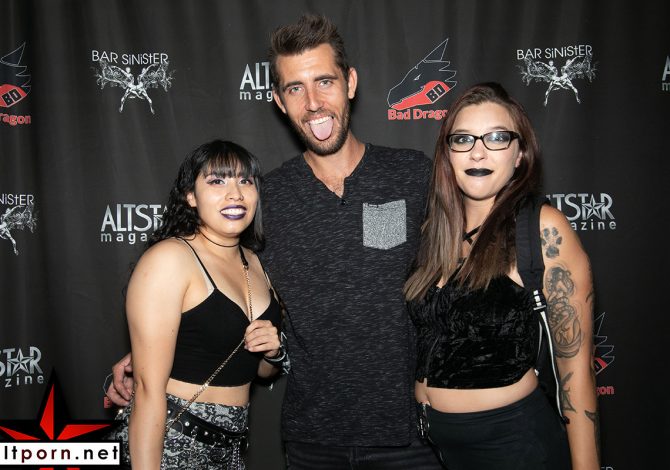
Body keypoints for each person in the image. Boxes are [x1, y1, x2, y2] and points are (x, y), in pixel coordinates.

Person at [107, 14, 442, 469]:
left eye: (325, 82)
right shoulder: (265, 198)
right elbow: (225, 285)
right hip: (312, 441)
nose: (313, 103)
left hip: (410, 437)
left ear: (350, 83)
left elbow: (459, 276)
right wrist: (147, 355)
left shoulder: (411, 174)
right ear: (279, 102)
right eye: (295, 88)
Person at [404, 82, 599, 469]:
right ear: (447, 153)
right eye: (463, 139)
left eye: (496, 138)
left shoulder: (542, 229)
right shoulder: (433, 232)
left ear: (520, 153)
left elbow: (576, 374)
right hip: (441, 451)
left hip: (515, 449)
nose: (477, 151)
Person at [116, 139, 283, 469]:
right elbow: (148, 390)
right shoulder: (170, 259)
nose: (235, 194)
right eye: (217, 181)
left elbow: (260, 371)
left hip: (231, 449)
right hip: (172, 441)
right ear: (190, 196)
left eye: (245, 181)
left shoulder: (256, 262)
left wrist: (272, 352)